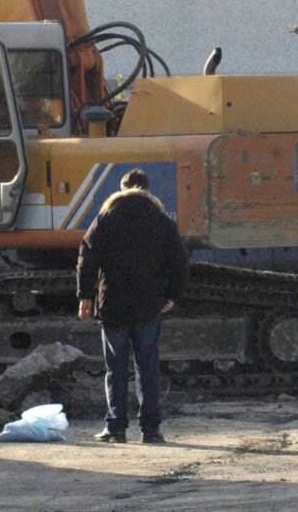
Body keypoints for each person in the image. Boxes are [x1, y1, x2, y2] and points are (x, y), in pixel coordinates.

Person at [76, 168, 190, 444]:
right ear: (147, 190)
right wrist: (173, 296)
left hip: (113, 303)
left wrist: (85, 297)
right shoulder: (161, 221)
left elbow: (86, 258)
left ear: (122, 188)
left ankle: (115, 428)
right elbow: (179, 261)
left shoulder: (105, 219)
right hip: (149, 305)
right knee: (147, 366)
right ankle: (151, 430)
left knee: (115, 368)